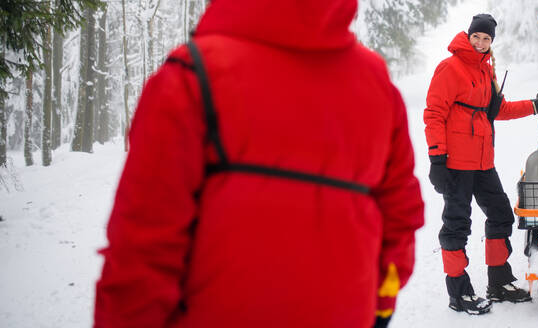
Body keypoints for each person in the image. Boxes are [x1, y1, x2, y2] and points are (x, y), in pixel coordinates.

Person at [94, 1, 424, 327]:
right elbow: (400, 215)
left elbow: (141, 247)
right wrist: (380, 303)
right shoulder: (377, 83)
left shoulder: (193, 74)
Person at [423, 14, 538, 314]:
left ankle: (498, 282)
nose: (481, 42)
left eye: (487, 39)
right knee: (456, 226)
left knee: (501, 214)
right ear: (469, 36)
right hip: (456, 164)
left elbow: (498, 110)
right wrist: (437, 158)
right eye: (477, 37)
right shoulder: (450, 68)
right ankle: (458, 292)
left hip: (484, 162)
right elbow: (434, 114)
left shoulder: (486, 72)